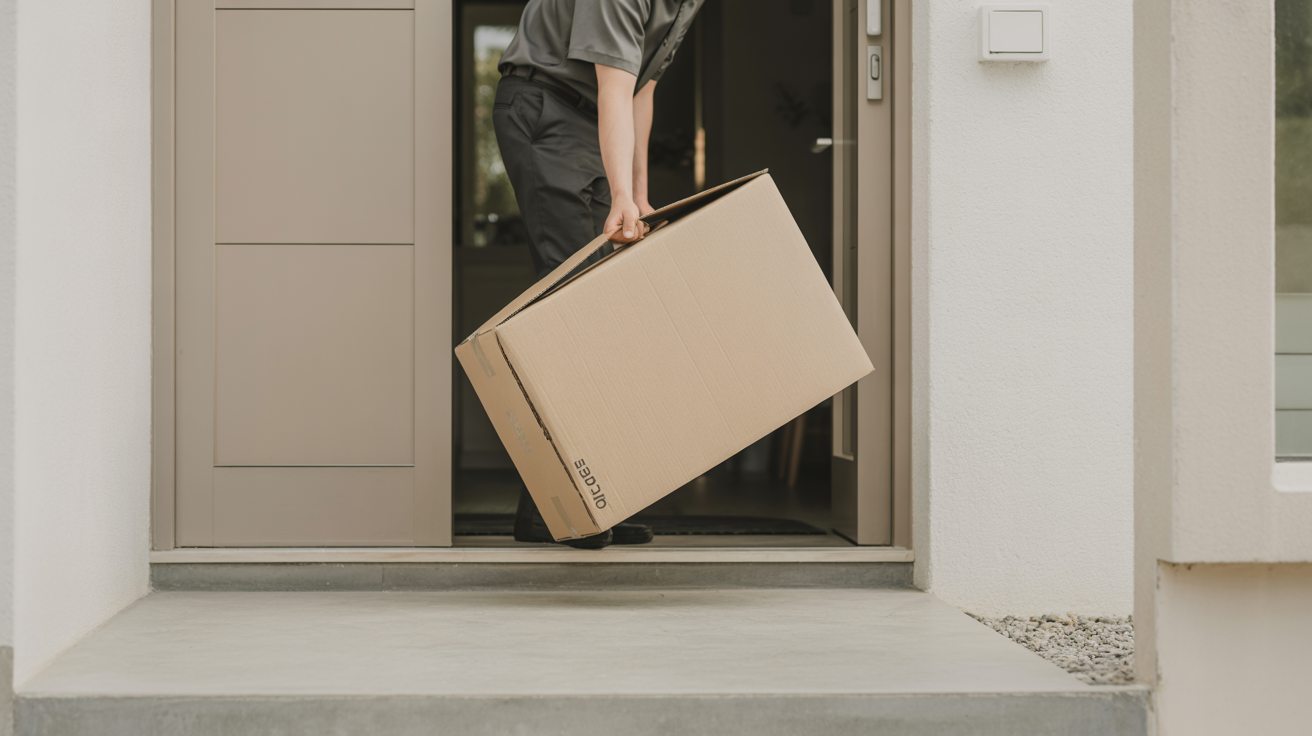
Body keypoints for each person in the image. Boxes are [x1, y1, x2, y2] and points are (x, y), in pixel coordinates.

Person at [494, 0, 704, 548]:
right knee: (574, 307)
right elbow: (613, 88)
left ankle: (582, 496)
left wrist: (636, 193)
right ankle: (554, 505)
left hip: (593, 121)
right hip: (548, 109)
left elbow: (641, 90)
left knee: (603, 305)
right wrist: (618, 195)